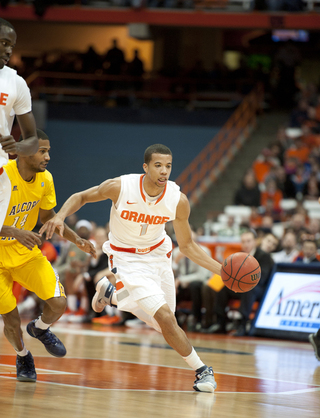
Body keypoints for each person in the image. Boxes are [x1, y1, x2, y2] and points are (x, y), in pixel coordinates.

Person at [40, 144, 226, 393]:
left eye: (168, 166)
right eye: (158, 165)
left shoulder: (177, 200)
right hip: (126, 259)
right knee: (165, 318)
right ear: (145, 167)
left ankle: (113, 296)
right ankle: (202, 370)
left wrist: (222, 270)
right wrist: (60, 216)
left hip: (159, 256)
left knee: (166, 326)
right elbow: (81, 197)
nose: (164, 171)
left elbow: (189, 246)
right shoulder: (121, 187)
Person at [0, 129, 96, 382]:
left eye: (48, 151)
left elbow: (47, 218)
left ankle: (40, 328)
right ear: (22, 153)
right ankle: (23, 355)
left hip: (25, 254)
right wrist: (14, 231)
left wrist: (78, 240)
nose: (48, 157)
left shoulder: (46, 179)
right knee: (10, 317)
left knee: (58, 302)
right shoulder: (3, 175)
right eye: (42, 151)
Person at [0, 18, 39, 233]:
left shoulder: (16, 83)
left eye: (11, 46)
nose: (8, 51)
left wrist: (16, 147)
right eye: (4, 43)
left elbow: (32, 140)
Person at [213, 230, 274, 337]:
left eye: (248, 241)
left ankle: (242, 324)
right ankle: (221, 323)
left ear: (255, 241)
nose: (246, 244)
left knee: (249, 290)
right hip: (242, 286)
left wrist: (244, 278)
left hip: (259, 289)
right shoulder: (239, 255)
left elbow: (262, 278)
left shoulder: (264, 256)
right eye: (243, 241)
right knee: (223, 289)